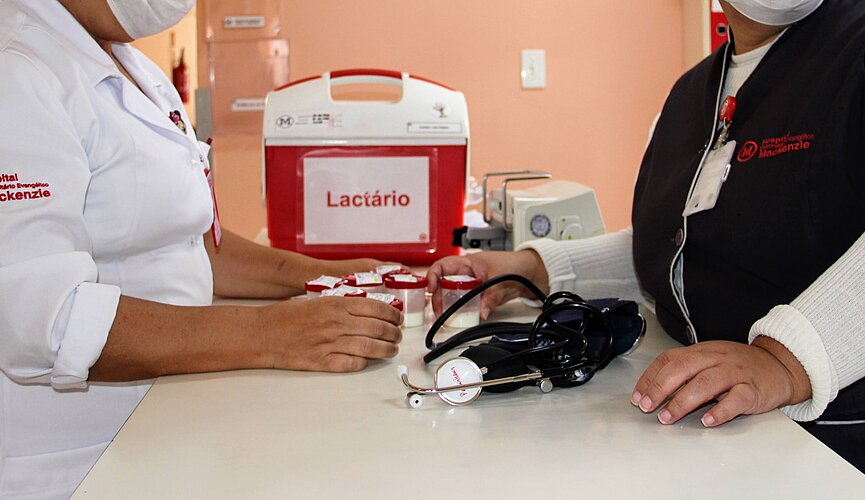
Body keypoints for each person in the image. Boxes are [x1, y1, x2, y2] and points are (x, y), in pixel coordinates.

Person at [428, 0, 865, 472]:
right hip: (711, 434)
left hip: (834, 442)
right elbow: (676, 247)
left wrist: (785, 361)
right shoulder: (691, 94)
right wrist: (531, 269)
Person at [0, 0, 403, 497]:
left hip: (167, 427)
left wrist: (326, 276)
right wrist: (270, 335)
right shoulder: (16, 70)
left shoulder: (132, 67)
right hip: (77, 461)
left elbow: (191, 241)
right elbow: (44, 319)